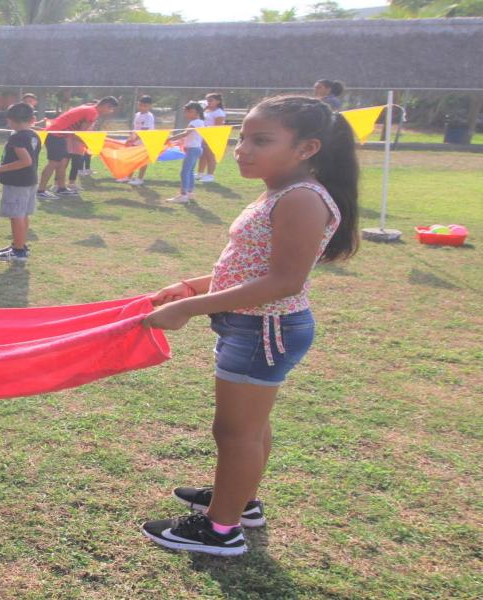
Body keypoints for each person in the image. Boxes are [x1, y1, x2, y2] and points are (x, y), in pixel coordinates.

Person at [140, 95, 359, 556]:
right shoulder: (281, 190)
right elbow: (250, 265)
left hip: (264, 329)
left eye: (261, 140)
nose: (243, 149)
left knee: (235, 432)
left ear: (307, 148)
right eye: (242, 138)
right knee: (250, 428)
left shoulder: (301, 198)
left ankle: (221, 530)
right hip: (256, 327)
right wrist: (192, 287)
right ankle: (240, 503)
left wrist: (188, 311)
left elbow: (284, 280)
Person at [0, 102, 40, 264]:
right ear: (32, 119)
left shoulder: (17, 138)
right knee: (22, 215)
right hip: (29, 181)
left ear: (10, 120)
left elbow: (25, 161)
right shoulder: (33, 135)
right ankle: (19, 246)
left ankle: (18, 252)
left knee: (16, 216)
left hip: (17, 183)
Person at [37, 96, 118, 199]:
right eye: (110, 109)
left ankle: (61, 188)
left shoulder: (89, 108)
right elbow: (80, 134)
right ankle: (40, 190)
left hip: (58, 135)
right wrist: (92, 144)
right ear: (106, 105)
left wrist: (91, 142)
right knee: (53, 163)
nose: (110, 111)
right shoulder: (92, 112)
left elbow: (77, 134)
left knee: (61, 163)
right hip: (55, 135)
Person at [165, 102, 206, 204]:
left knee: (184, 172)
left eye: (189, 112)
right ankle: (189, 192)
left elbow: (185, 133)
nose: (186, 114)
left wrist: (170, 138)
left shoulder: (195, 123)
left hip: (193, 150)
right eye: (186, 112)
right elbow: (191, 137)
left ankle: (183, 195)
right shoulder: (200, 122)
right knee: (190, 171)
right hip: (196, 149)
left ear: (196, 112)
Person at [126, 95, 156, 185]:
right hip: (135, 141)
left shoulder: (149, 116)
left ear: (150, 106)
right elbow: (134, 128)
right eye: (140, 105)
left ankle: (140, 179)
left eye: (145, 106)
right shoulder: (137, 115)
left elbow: (144, 131)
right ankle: (128, 176)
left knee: (143, 161)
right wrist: (130, 137)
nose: (142, 107)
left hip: (145, 142)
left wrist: (134, 139)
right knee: (133, 159)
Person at [197, 93, 226, 183]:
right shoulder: (206, 110)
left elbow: (217, 127)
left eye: (211, 100)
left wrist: (208, 137)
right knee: (202, 156)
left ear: (218, 101)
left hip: (212, 136)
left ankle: (210, 175)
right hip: (203, 135)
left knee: (210, 156)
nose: (208, 102)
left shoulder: (219, 113)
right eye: (207, 100)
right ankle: (200, 173)